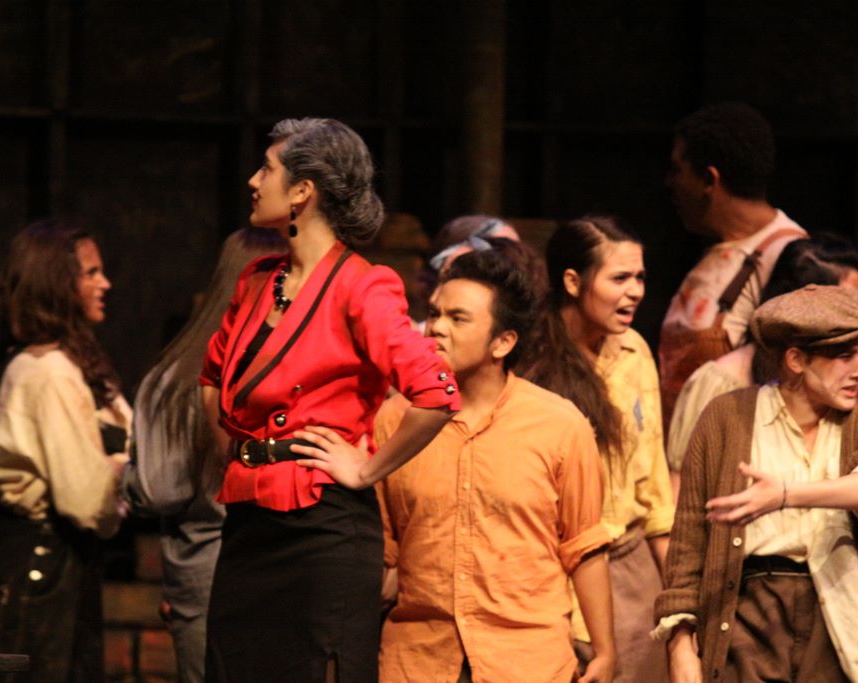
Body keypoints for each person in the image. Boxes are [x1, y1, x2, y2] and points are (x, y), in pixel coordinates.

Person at [200, 117, 460, 683]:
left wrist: (366, 470)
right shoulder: (256, 281)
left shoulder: (362, 285)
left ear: (302, 191)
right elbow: (211, 376)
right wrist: (239, 452)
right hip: (248, 524)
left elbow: (436, 394)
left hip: (322, 529)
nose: (253, 181)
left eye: (266, 168)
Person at [376, 249, 615, 683]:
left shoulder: (559, 425)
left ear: (502, 343)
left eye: (458, 319)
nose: (437, 328)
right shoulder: (394, 422)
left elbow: (584, 546)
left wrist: (605, 650)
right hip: (420, 660)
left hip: (527, 662)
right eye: (435, 314)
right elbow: (381, 548)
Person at [656, 285, 858, 682]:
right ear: (796, 360)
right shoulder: (726, 416)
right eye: (844, 356)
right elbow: (689, 543)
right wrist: (679, 644)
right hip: (751, 614)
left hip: (842, 610)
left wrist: (785, 495)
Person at [0, 219, 130, 682]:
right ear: (57, 282)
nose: (105, 283)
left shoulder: (72, 363)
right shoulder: (47, 371)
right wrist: (123, 476)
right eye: (91, 272)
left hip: (64, 565)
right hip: (39, 567)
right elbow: (84, 496)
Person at [121, 228, 282, 683]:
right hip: (280, 567)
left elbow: (161, 488)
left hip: (207, 573)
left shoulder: (175, 377)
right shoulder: (287, 370)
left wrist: (123, 476)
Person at [519, 216, 674, 683]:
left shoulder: (634, 352)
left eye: (640, 278)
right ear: (573, 282)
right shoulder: (528, 361)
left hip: (629, 574)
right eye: (620, 278)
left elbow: (654, 488)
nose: (635, 291)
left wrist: (677, 596)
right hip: (546, 575)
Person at [659, 102, 807, 435]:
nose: (670, 183)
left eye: (677, 170)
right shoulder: (721, 249)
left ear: (709, 180)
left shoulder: (789, 257)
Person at [666, 236, 858, 475]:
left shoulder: (841, 390)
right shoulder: (722, 384)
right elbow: (683, 479)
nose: (857, 314)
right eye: (844, 303)